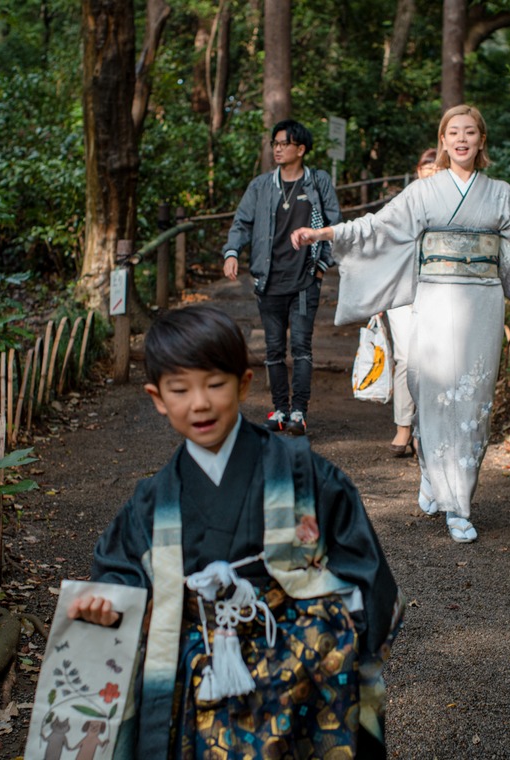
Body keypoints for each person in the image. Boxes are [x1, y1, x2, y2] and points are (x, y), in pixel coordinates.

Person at [67, 304, 404, 758]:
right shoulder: (151, 502)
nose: (200, 402)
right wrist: (108, 598)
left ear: (244, 384)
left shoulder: (305, 476)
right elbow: (121, 568)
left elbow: (366, 573)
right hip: (194, 682)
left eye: (215, 384)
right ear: (157, 398)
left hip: (300, 678)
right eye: (180, 389)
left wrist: (334, 638)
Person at [291, 104, 510, 544]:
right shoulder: (424, 192)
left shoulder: (501, 194)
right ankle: (435, 476)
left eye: (470, 132)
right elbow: (379, 226)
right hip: (434, 297)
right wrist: (324, 234)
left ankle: (459, 503)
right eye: (453, 132)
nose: (461, 139)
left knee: (472, 399)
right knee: (429, 390)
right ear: (443, 140)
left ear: (481, 141)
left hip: (483, 300)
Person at [222, 120, 342, 436]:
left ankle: (299, 412)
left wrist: (321, 267)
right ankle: (280, 410)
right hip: (268, 281)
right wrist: (232, 252)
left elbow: (334, 226)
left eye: (283, 143)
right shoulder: (261, 186)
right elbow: (241, 223)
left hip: (304, 280)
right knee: (274, 350)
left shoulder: (318, 183)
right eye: (274, 143)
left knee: (301, 348)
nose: (277, 148)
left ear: (300, 149)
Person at [385, 148, 440, 457]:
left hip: (437, 292)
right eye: (425, 167)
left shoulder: (450, 206)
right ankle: (403, 427)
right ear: (418, 170)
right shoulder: (402, 203)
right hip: (401, 291)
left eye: (436, 167)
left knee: (430, 361)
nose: (430, 172)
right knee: (406, 358)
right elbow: (383, 244)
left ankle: (423, 430)